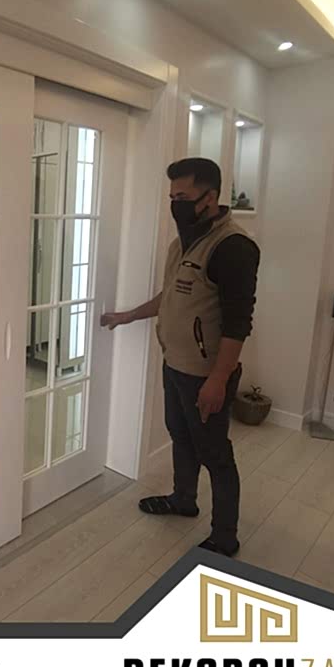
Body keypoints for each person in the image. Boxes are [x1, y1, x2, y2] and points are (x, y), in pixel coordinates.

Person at [101, 157, 260, 556]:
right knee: (180, 435)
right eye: (172, 197)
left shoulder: (233, 247)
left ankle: (225, 536)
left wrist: (218, 380)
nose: (176, 204)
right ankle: (183, 499)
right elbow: (171, 296)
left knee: (215, 453)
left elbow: (238, 324)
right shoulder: (183, 242)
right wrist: (128, 316)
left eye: (184, 197)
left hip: (205, 374)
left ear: (210, 197)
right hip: (175, 363)